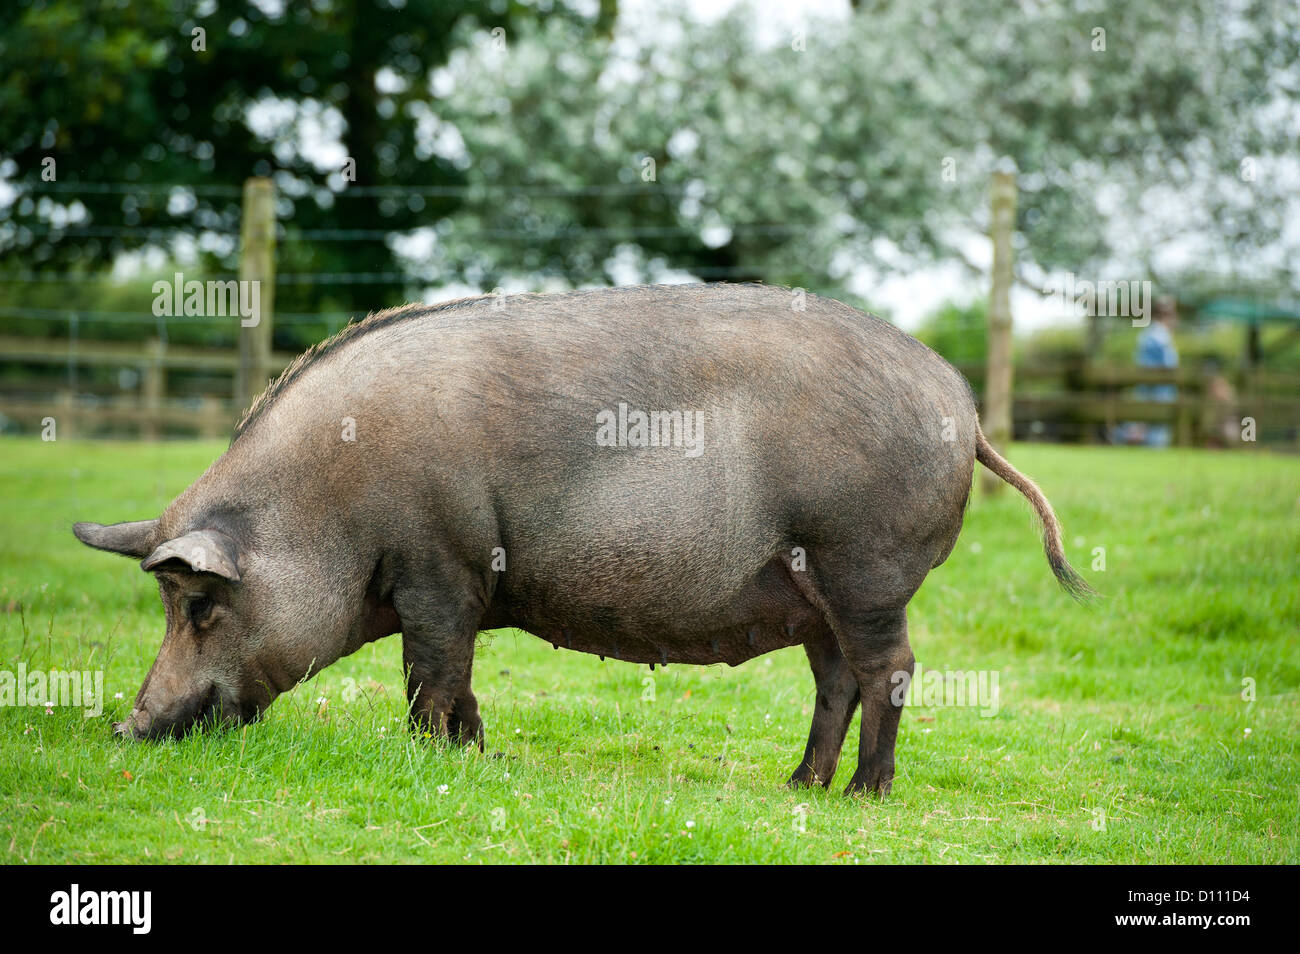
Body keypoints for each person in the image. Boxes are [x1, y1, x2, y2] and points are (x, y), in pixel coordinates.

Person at [1134, 296, 1179, 447]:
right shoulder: (1161, 338)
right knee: (1157, 436)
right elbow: (1169, 366)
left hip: (1147, 392)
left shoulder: (1146, 336)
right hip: (1159, 394)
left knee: (1146, 431)